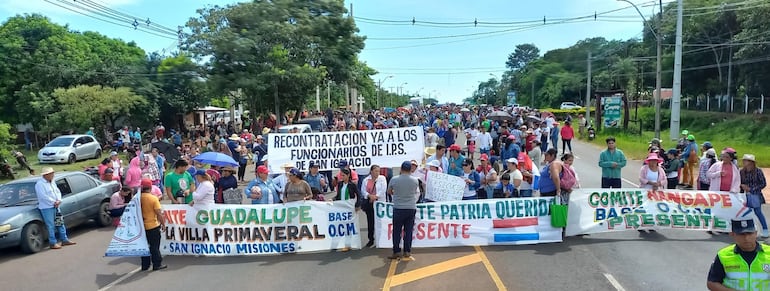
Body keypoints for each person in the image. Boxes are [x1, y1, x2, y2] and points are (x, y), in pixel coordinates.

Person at [706, 218, 769, 291]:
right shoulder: (723, 255)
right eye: (741, 234)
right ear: (732, 234)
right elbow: (712, 283)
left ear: (755, 233)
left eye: (750, 233)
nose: (746, 238)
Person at [35, 167, 76, 249]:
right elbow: (43, 196)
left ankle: (64, 239)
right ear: (46, 175)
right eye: (51, 174)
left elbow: (57, 191)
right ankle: (52, 243)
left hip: (56, 205)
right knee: (51, 225)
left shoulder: (52, 182)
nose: (53, 175)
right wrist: (53, 202)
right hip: (47, 207)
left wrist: (59, 200)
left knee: (60, 222)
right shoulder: (40, 184)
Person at [387, 161, 420, 261]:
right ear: (410, 169)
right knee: (408, 231)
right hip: (410, 208)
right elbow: (415, 192)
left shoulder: (394, 179)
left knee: (396, 231)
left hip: (398, 208)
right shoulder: (415, 180)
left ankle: (396, 251)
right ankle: (407, 251)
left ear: (401, 169)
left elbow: (389, 191)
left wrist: (396, 192)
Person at [139, 178, 166, 271]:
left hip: (141, 227)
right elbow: (159, 213)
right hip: (152, 225)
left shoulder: (137, 198)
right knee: (154, 246)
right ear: (150, 187)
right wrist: (163, 224)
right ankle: (157, 264)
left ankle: (145, 265)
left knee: (143, 246)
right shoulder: (153, 198)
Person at [740, 154, 768, 238]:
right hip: (745, 195)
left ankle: (765, 229)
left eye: (746, 160)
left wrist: (751, 189)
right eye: (744, 160)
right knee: (744, 212)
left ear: (751, 162)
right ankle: (748, 230)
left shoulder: (758, 171)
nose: (744, 162)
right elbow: (739, 182)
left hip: (755, 194)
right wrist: (742, 188)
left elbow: (763, 183)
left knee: (758, 212)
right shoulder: (741, 171)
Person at [361, 165, 387, 248]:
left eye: (379, 171)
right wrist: (369, 196)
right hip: (370, 203)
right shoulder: (366, 180)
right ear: (371, 171)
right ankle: (371, 239)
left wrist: (376, 196)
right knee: (370, 222)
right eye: (376, 171)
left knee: (380, 221)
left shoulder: (382, 178)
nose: (377, 173)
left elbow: (383, 189)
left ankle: (382, 239)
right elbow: (363, 190)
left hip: (379, 203)